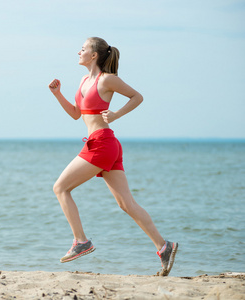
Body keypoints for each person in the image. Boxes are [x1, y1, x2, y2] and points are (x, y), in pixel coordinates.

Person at [48, 37, 178, 276]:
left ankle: (81, 241)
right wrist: (58, 94)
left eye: (83, 49)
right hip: (104, 144)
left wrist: (116, 114)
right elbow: (77, 114)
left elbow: (137, 96)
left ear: (94, 54)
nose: (79, 51)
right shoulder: (83, 80)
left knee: (60, 188)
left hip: (102, 144)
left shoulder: (107, 79)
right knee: (126, 203)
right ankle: (164, 246)